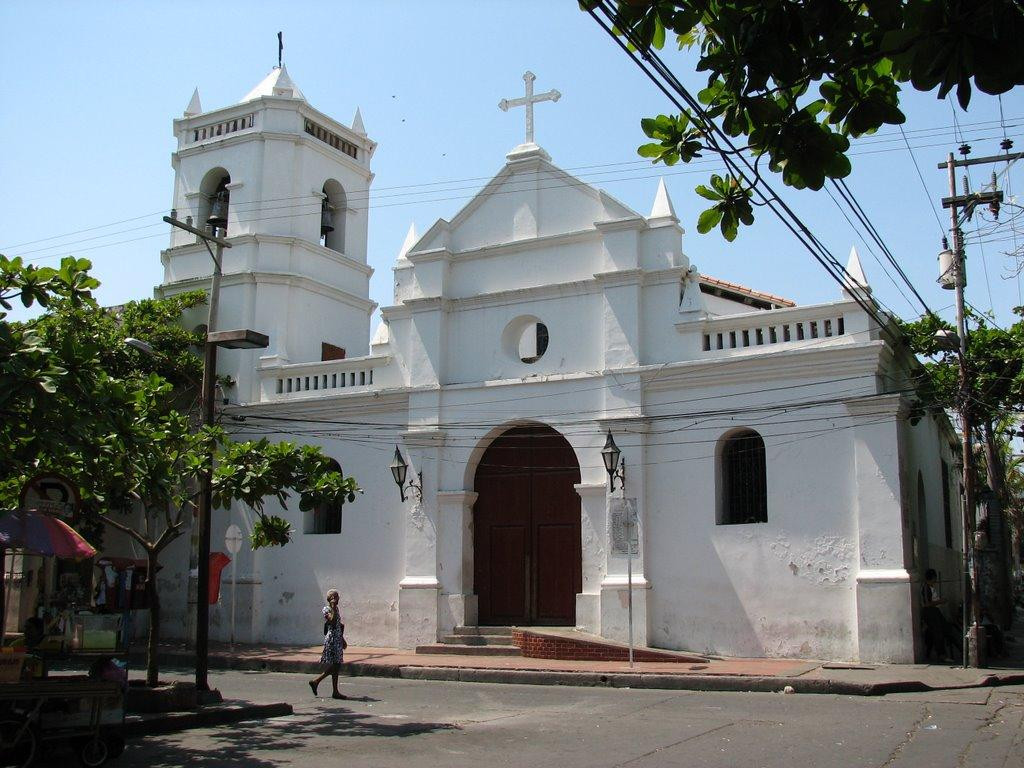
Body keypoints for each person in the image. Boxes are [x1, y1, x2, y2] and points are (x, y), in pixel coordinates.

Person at [309, 589, 347, 699]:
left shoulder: (336, 609)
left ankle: (335, 691)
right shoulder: (326, 609)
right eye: (335, 597)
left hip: (337, 638)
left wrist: (342, 639)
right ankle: (317, 680)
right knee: (337, 664)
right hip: (331, 640)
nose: (338, 599)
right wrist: (333, 607)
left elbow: (339, 625)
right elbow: (332, 621)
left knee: (337, 664)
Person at [920, 569, 953, 662]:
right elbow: (927, 603)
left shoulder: (931, 588)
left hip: (934, 611)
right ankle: (941, 654)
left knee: (936, 631)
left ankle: (930, 652)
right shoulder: (926, 588)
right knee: (938, 632)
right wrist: (940, 601)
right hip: (930, 612)